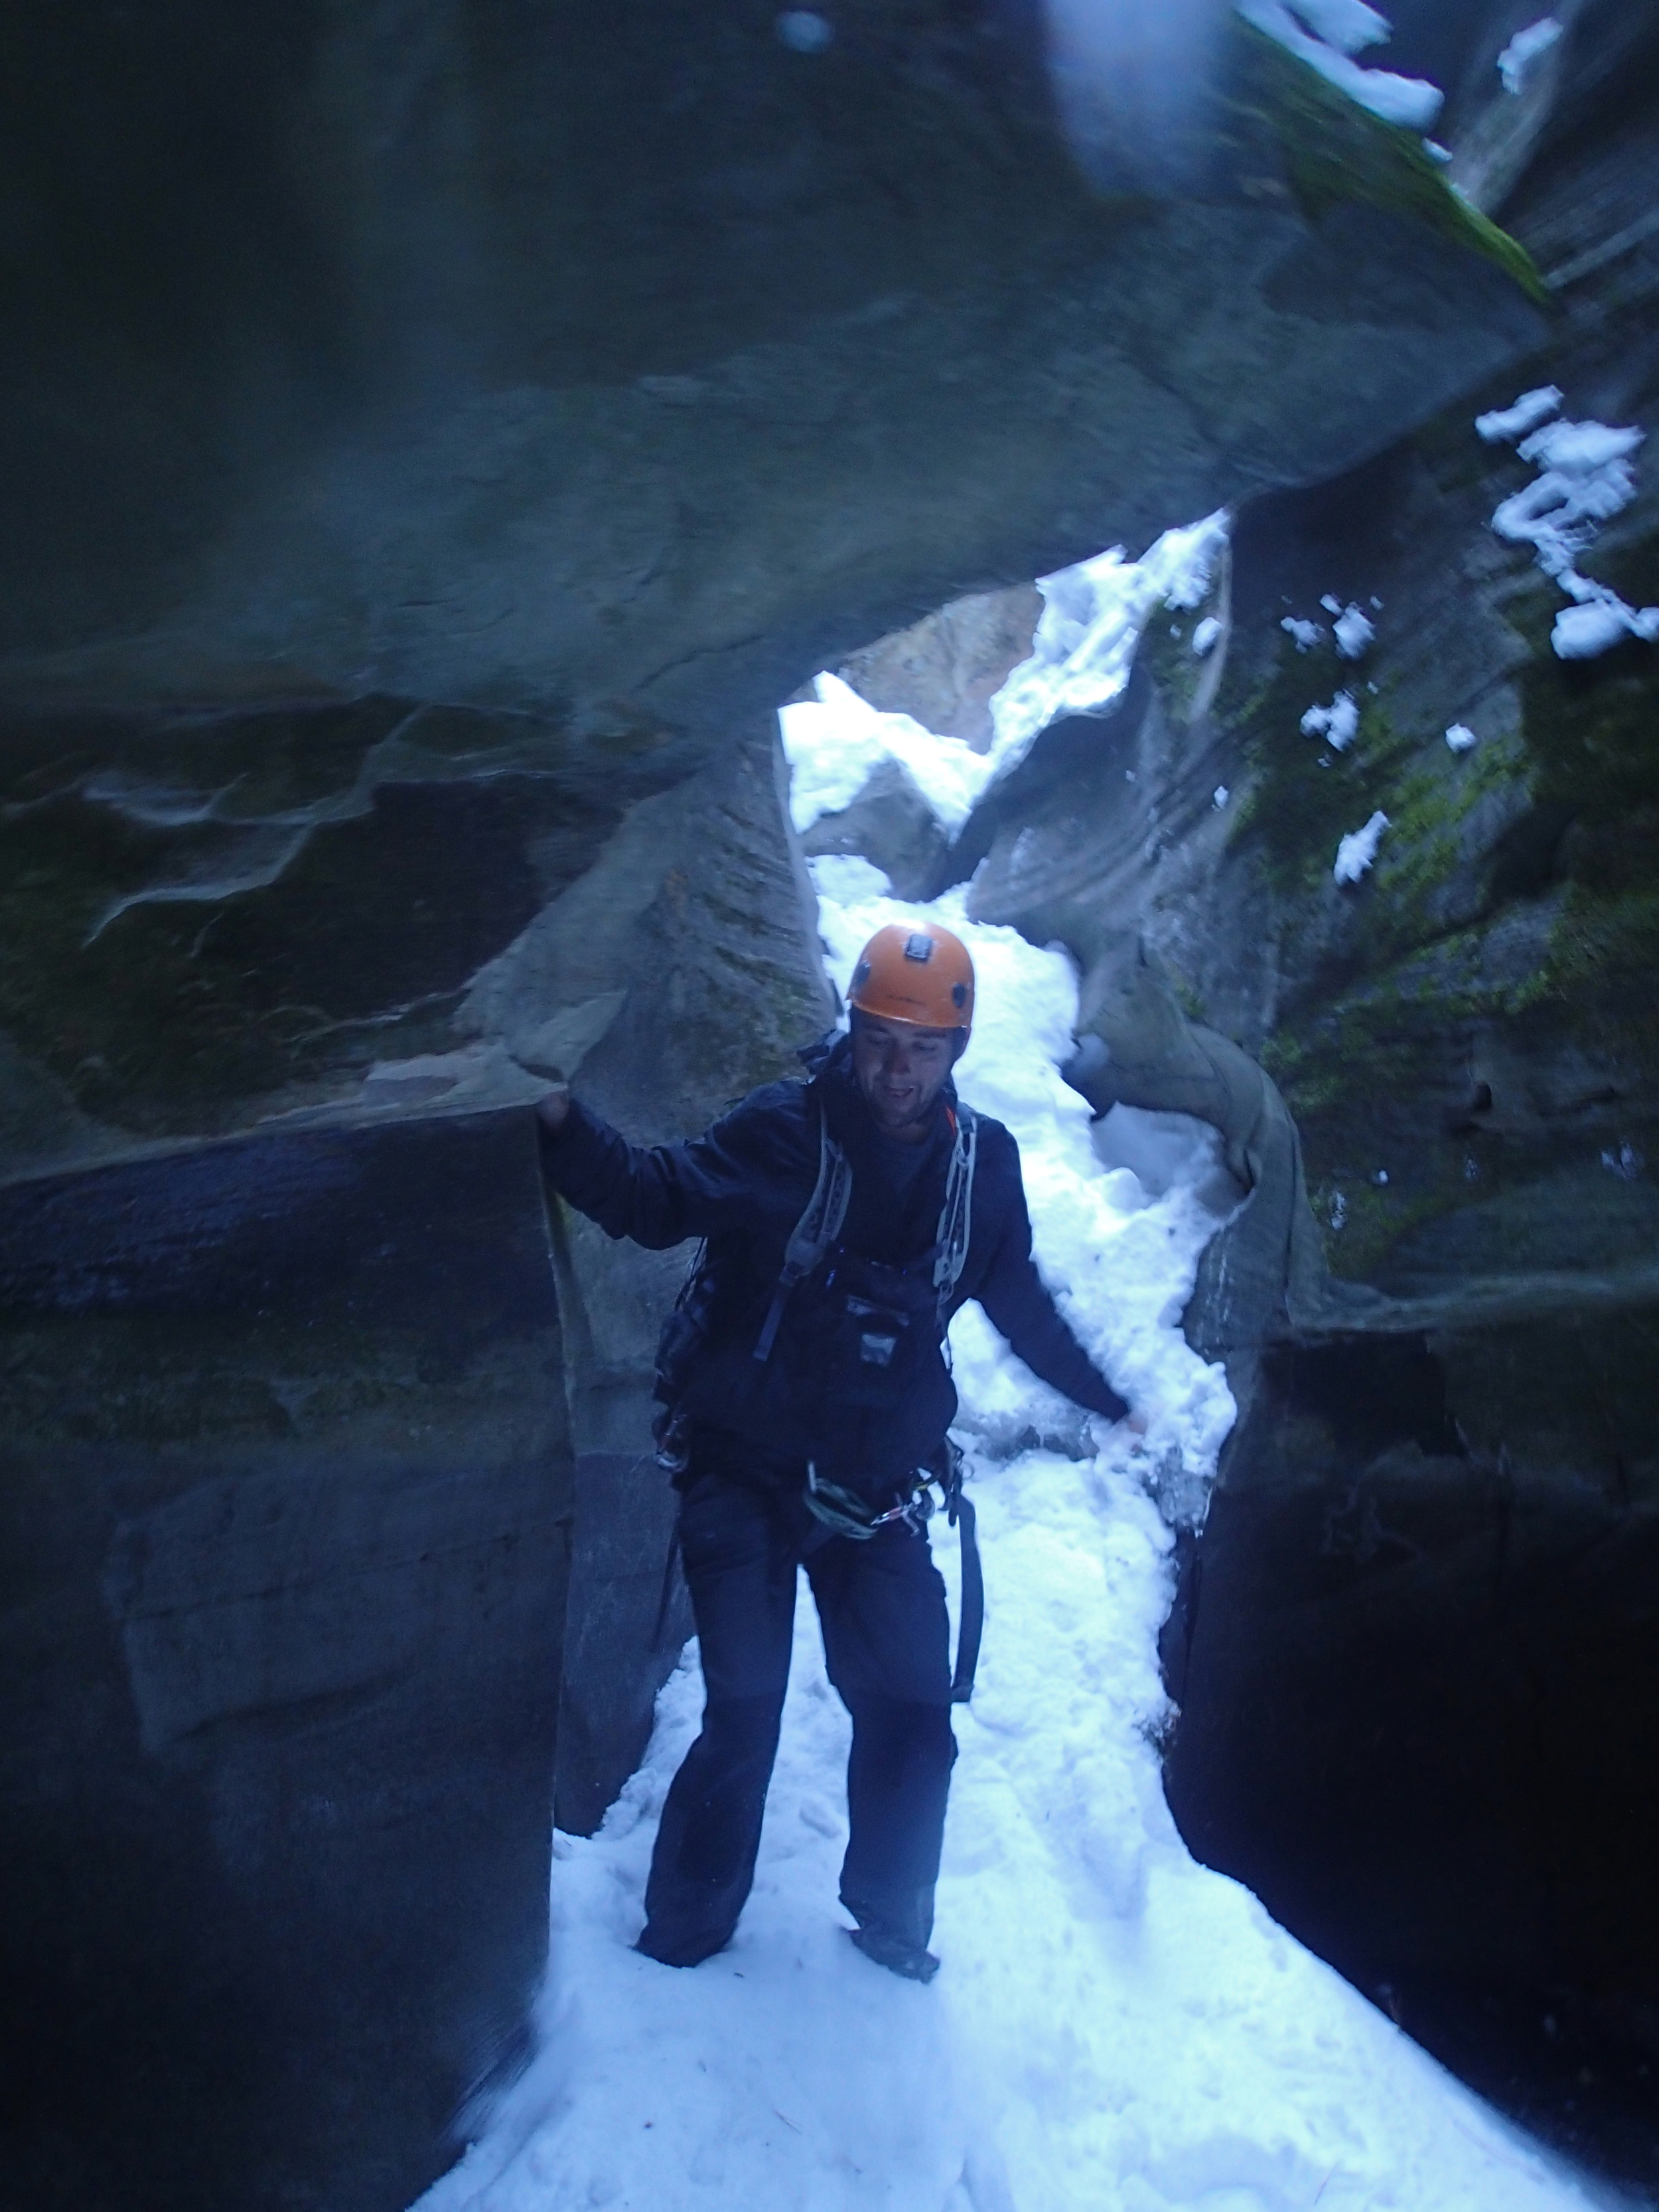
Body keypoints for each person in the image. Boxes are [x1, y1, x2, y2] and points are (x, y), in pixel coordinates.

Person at [527, 921, 1135, 1982]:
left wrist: (1108, 1400)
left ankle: (892, 1925)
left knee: (910, 1704)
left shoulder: (981, 1169)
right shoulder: (784, 1132)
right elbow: (656, 1198)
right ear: (853, 1032)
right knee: (748, 1706)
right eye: (881, 1041)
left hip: (871, 1490)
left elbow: (1019, 1303)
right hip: (742, 1471)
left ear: (957, 1051)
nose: (897, 1070)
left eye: (923, 1048)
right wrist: (559, 1122)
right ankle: (684, 1934)